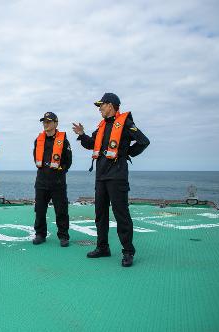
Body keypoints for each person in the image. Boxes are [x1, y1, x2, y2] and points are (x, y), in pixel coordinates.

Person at [72, 93, 149, 267]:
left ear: (111, 105)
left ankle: (128, 251)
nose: (99, 109)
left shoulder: (126, 123)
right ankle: (103, 247)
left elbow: (144, 141)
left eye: (101, 105)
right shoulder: (101, 126)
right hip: (101, 176)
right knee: (100, 214)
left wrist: (126, 153)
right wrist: (82, 134)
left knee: (121, 213)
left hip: (117, 176)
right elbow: (92, 143)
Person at [32, 112, 72, 247]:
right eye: (44, 121)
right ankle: (40, 234)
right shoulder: (38, 140)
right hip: (41, 181)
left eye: (49, 121)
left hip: (58, 182)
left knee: (61, 210)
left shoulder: (63, 141)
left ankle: (63, 236)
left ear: (56, 123)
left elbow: (68, 161)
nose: (46, 124)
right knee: (40, 209)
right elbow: (35, 158)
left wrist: (60, 172)